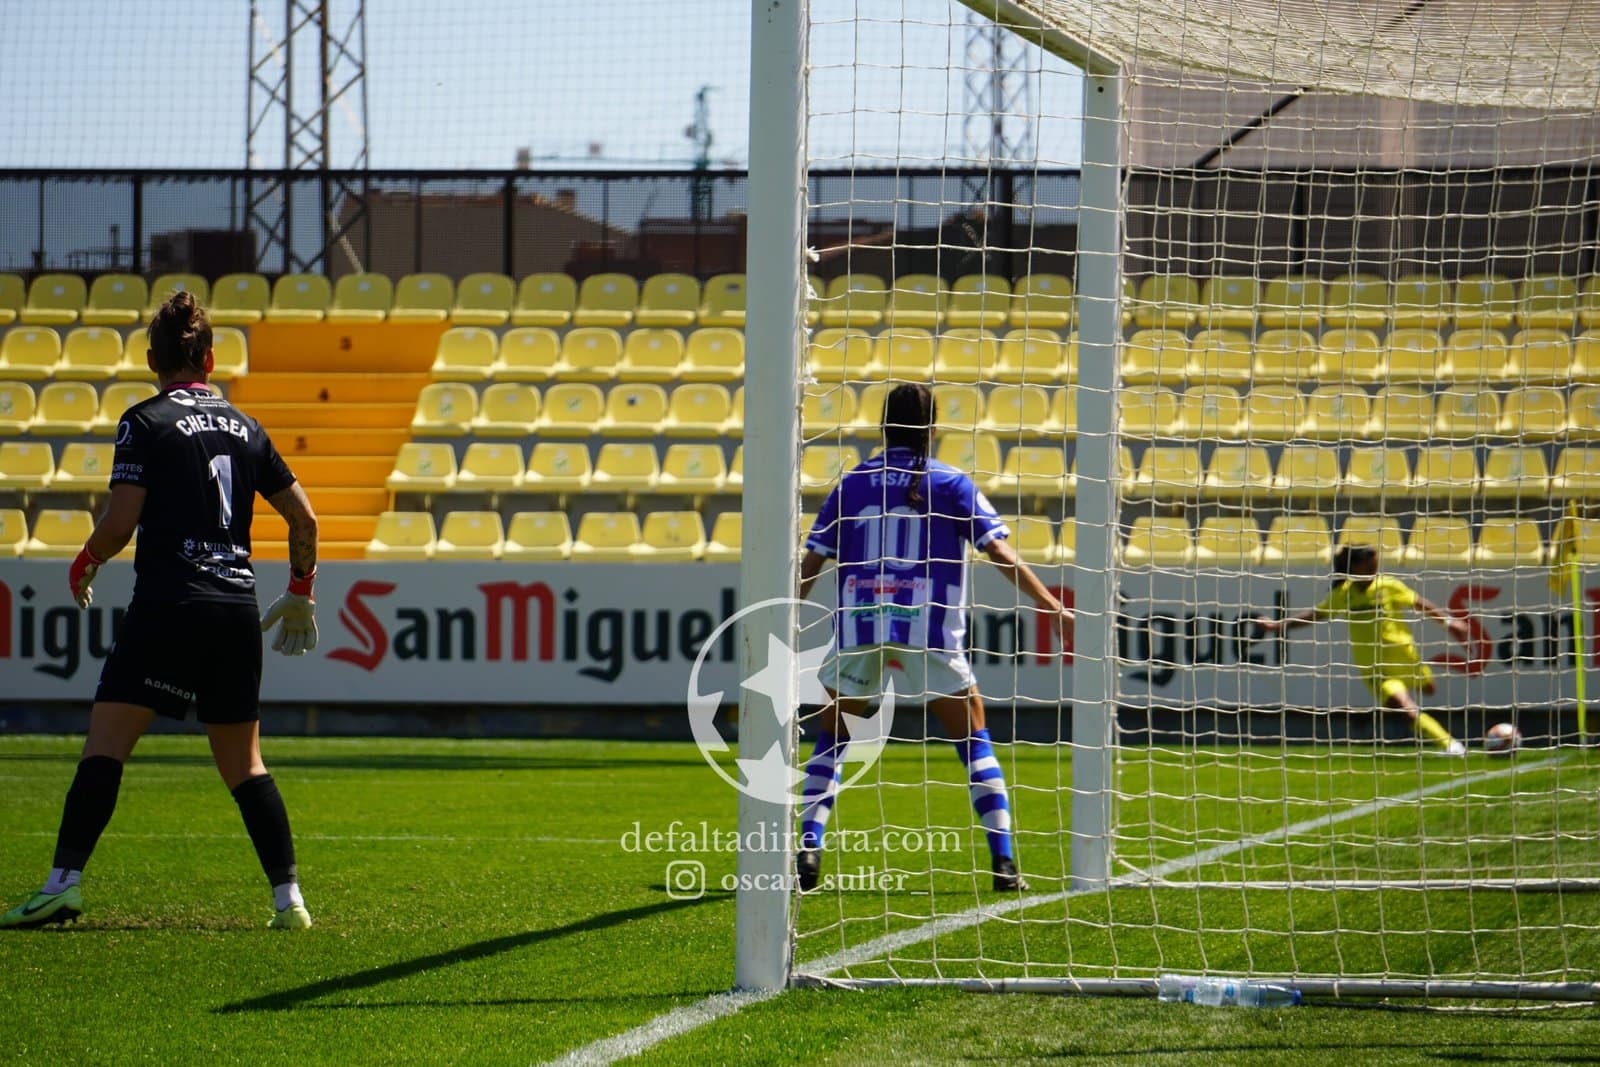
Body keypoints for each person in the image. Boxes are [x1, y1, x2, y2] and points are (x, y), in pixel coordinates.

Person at [0, 290, 321, 930]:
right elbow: (304, 518)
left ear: (153, 359)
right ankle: (290, 902)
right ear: (209, 358)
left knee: (108, 742)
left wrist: (85, 561)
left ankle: (63, 883)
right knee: (245, 763)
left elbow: (122, 524)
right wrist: (301, 589)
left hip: (170, 604)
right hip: (235, 606)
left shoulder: (143, 420)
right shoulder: (248, 427)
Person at [796, 381, 1074, 892]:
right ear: (933, 428)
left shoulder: (851, 483)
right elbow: (999, 553)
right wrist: (1050, 603)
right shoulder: (952, 483)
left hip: (861, 627)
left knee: (833, 737)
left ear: (882, 425)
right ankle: (1004, 861)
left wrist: (787, 610)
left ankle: (809, 848)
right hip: (928, 629)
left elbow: (813, 560)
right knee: (972, 738)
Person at [1255, 543, 1469, 755]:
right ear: (1354, 568)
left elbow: (1420, 604)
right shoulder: (1343, 593)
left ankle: (1430, 707)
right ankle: (1450, 745)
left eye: (1375, 568)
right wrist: (1278, 625)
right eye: (1369, 569)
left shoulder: (1388, 585)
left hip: (1404, 657)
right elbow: (1316, 614)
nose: (1373, 573)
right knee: (1405, 708)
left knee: (1430, 689)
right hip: (1375, 668)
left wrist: (1450, 623)